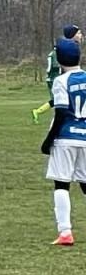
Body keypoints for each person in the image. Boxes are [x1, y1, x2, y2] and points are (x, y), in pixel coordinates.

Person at [39, 37, 86, 246]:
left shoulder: (61, 81)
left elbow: (60, 114)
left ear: (59, 60)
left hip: (66, 138)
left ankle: (65, 232)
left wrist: (48, 141)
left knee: (61, 183)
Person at [33, 24, 81, 123]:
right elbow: (58, 65)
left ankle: (38, 111)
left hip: (58, 79)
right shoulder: (62, 51)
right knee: (60, 102)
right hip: (54, 79)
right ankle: (41, 113)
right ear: (72, 35)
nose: (81, 35)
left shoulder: (66, 48)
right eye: (79, 33)